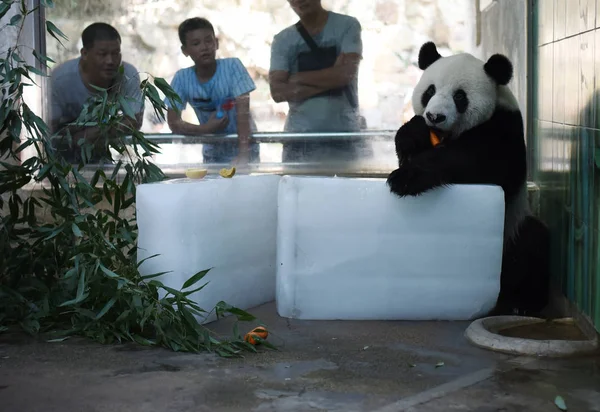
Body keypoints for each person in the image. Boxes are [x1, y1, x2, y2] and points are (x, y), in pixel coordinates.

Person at [269, 0, 363, 162]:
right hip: (299, 142)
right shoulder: (282, 40)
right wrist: (332, 79)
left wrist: (296, 78)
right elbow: (277, 92)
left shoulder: (347, 25)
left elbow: (345, 74)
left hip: (344, 137)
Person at [165, 17, 259, 165]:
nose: (204, 47)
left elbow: (243, 113)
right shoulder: (181, 78)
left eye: (208, 41)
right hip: (212, 153)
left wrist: (243, 154)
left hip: (245, 147)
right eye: (196, 43)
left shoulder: (233, 67)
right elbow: (174, 122)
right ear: (185, 50)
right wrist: (205, 129)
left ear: (216, 43)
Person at [48, 22, 144, 163]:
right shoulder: (60, 80)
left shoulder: (128, 74)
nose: (110, 61)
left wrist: (94, 133)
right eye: (102, 54)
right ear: (84, 54)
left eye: (115, 54)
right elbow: (49, 129)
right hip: (59, 161)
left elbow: (134, 121)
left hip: (102, 157)